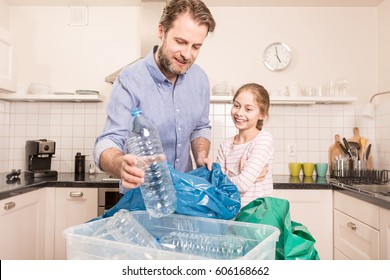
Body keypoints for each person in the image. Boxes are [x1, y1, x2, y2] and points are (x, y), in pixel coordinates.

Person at [93, 0, 216, 194]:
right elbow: (108, 141)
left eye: (196, 47)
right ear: (161, 31)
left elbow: (200, 127)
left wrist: (201, 156)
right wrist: (120, 164)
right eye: (181, 42)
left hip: (186, 193)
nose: (187, 54)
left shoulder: (200, 79)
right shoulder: (129, 80)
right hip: (144, 198)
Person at [216, 83, 274, 207]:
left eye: (248, 109)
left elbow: (241, 184)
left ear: (262, 114)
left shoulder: (263, 139)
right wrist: (243, 177)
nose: (239, 113)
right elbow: (217, 187)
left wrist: (237, 179)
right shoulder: (225, 145)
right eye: (236, 106)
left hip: (257, 217)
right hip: (231, 217)